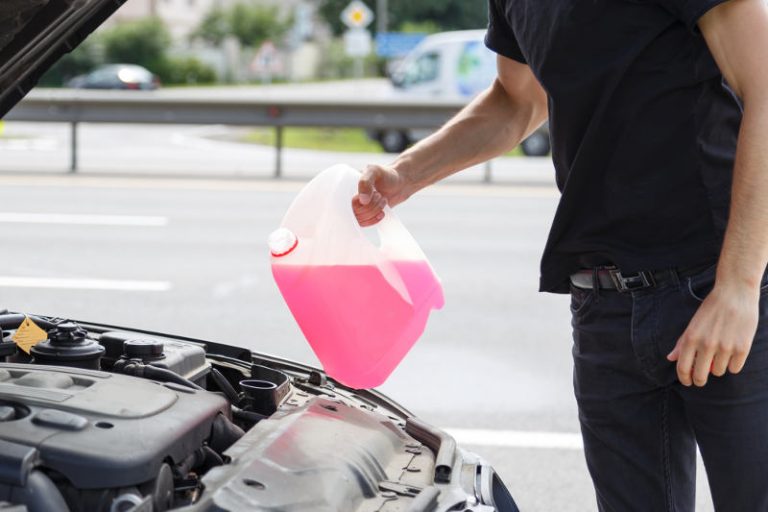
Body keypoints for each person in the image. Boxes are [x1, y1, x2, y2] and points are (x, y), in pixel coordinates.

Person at [352, 1, 768, 510]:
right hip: (605, 305)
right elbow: (516, 99)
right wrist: (405, 174)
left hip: (722, 290)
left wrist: (739, 287)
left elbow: (765, 83)